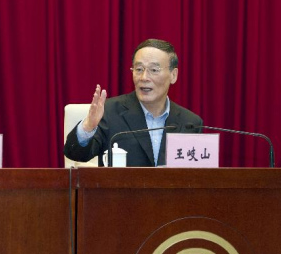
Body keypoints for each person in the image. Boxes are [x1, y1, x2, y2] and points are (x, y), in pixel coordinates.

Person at [64, 38, 203, 167]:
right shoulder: (110, 112)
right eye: (139, 69)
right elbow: (76, 154)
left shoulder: (190, 123)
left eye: (154, 70)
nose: (144, 77)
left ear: (173, 75)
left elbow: (197, 178)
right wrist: (88, 126)